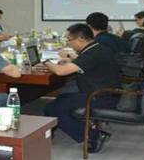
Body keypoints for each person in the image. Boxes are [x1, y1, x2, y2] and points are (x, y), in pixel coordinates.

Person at [43, 24, 120, 153]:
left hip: (100, 96)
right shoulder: (97, 48)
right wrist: (71, 60)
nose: (69, 43)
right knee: (61, 98)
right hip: (104, 92)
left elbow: (60, 72)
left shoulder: (92, 53)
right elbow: (84, 61)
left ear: (80, 39)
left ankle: (93, 135)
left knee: (51, 109)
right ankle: (56, 131)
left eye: (69, 40)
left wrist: (45, 60)